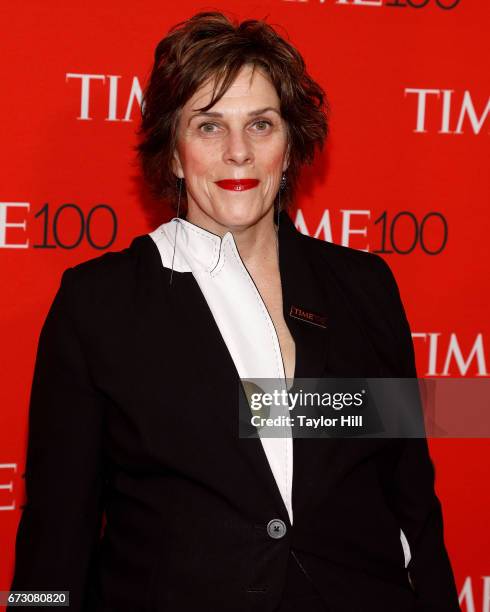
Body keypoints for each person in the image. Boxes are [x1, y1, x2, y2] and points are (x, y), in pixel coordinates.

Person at [8, 11, 461, 612]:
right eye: (209, 126)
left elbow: (410, 500)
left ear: (290, 144)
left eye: (261, 124)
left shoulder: (364, 287)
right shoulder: (98, 306)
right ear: (172, 151)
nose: (239, 152)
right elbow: (54, 539)